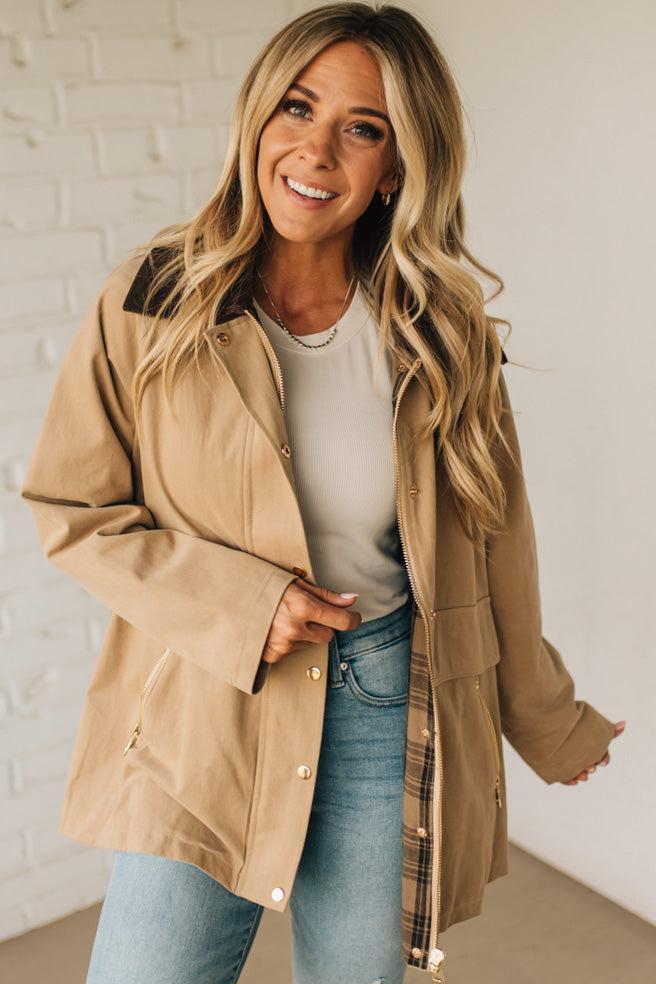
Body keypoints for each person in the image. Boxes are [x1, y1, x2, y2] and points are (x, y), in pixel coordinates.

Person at [20, 4, 625, 983]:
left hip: (387, 706)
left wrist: (546, 718)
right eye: (297, 108)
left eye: (362, 126)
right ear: (257, 116)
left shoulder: (443, 327)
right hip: (204, 712)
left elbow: (497, 544)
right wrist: (241, 604)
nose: (315, 149)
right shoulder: (155, 295)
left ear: (395, 165)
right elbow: (71, 508)